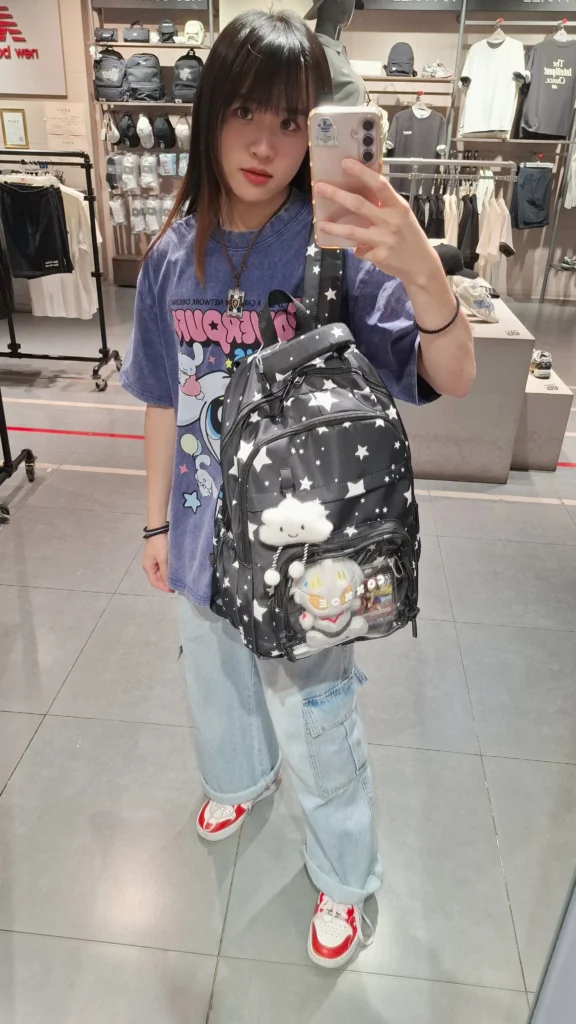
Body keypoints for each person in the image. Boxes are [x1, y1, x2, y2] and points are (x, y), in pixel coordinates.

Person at [120, 9, 475, 970]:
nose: (266, 145)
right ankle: (242, 777)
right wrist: (154, 524)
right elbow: (161, 396)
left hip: (307, 543)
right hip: (202, 531)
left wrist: (421, 269)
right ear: (209, 113)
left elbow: (453, 375)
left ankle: (347, 878)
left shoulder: (334, 246)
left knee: (317, 718)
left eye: (291, 121)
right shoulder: (171, 257)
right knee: (215, 677)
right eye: (245, 113)